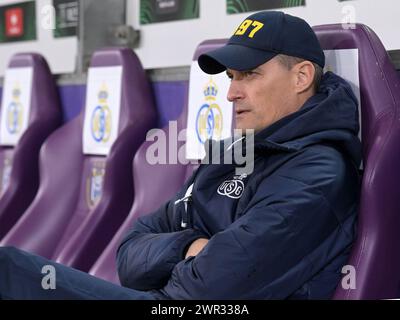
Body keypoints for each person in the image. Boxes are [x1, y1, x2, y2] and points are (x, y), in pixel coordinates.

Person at [0, 10, 361, 300]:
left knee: (8, 271)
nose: (231, 93)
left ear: (301, 77)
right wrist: (189, 244)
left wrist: (177, 258)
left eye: (249, 75)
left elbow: (210, 288)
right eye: (231, 77)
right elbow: (128, 251)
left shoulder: (317, 172)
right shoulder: (237, 153)